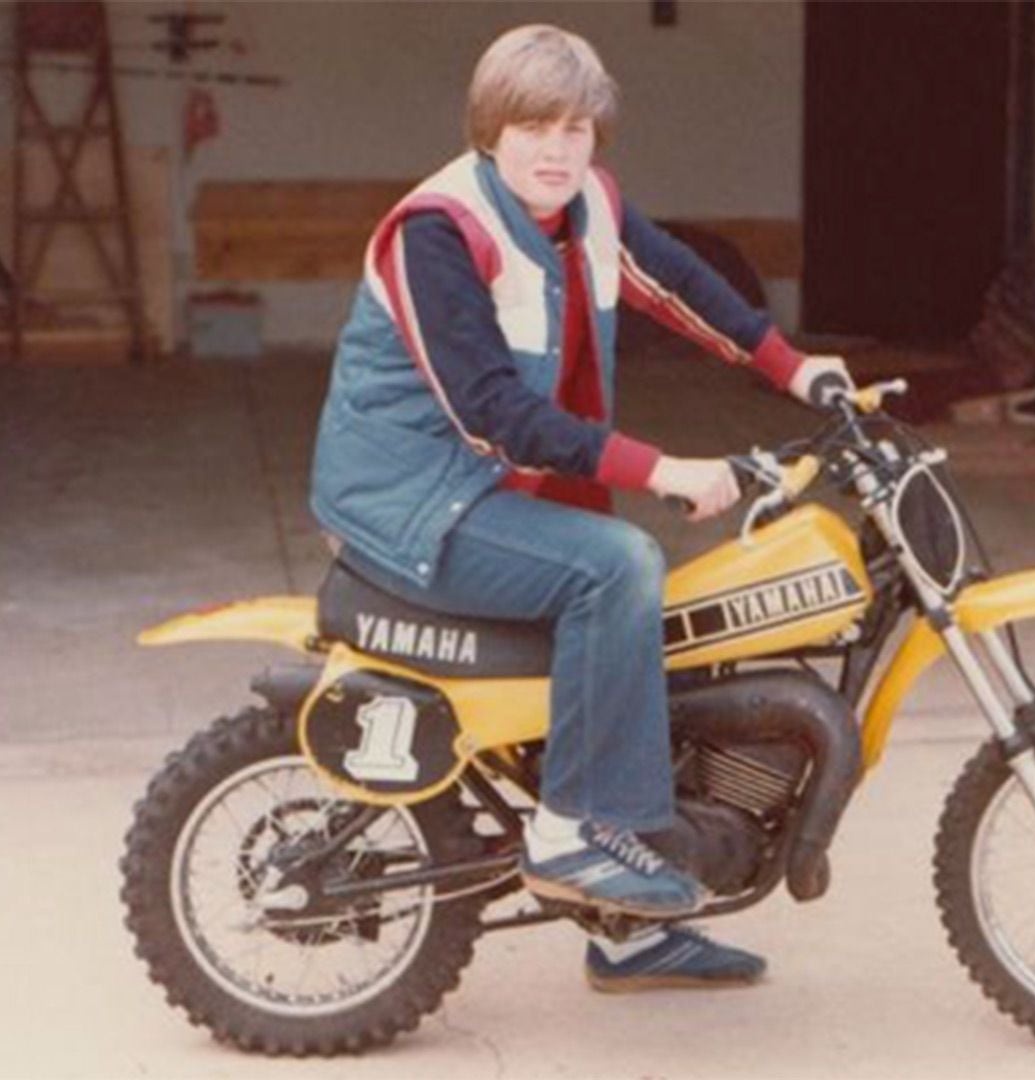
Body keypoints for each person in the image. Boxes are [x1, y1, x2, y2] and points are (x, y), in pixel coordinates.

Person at [309, 24, 849, 991]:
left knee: (654, 610)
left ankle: (629, 927)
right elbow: (492, 410)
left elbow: (679, 284)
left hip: (493, 490)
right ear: (489, 131)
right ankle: (572, 833)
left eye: (574, 126)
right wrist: (660, 467)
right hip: (412, 502)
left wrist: (794, 367)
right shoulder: (437, 233)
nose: (556, 149)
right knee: (617, 565)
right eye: (531, 127)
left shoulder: (586, 205)